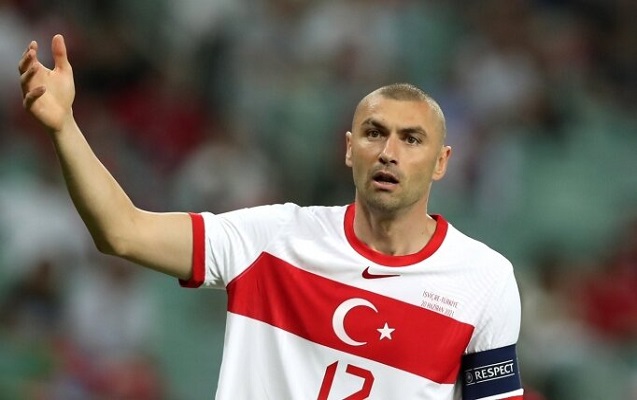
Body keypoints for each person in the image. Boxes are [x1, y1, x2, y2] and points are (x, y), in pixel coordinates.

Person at [18, 34, 524, 400]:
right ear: (350, 149)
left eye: (411, 139)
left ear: (441, 162)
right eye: (374, 133)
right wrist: (64, 127)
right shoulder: (273, 237)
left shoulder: (484, 280)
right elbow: (123, 232)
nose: (388, 152)